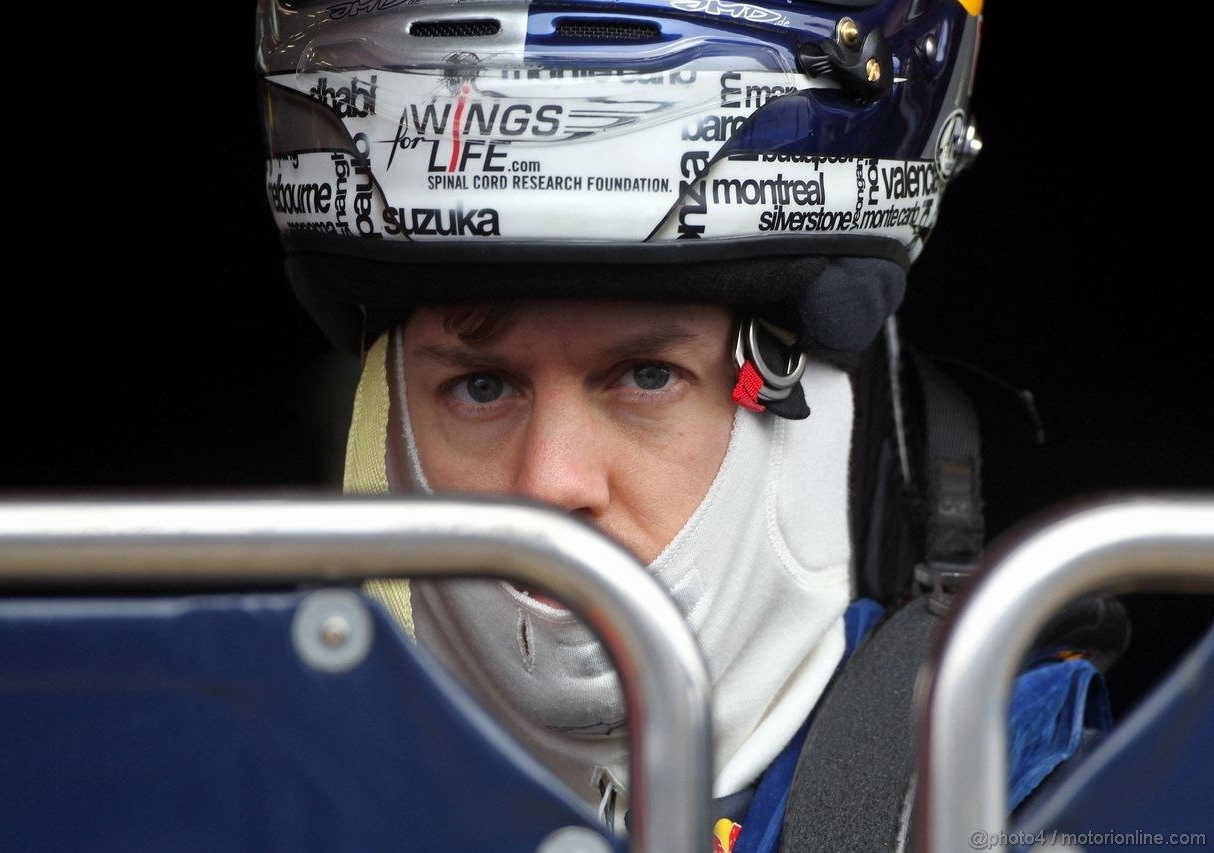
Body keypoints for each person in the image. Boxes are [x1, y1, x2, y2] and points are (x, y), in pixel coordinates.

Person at [255, 0, 1117, 848]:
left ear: (801, 406)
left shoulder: (1009, 790)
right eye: (482, 386)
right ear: (388, 412)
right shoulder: (236, 774)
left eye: (646, 376)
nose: (551, 483)